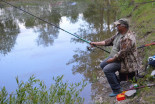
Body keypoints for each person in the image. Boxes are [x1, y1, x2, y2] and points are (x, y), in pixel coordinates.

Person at [90, 18, 140, 97]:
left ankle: (117, 89)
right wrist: (95, 43)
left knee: (107, 69)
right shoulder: (119, 34)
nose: (116, 26)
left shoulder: (128, 38)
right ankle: (116, 81)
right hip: (116, 57)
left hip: (125, 61)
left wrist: (112, 59)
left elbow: (122, 54)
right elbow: (108, 41)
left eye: (118, 25)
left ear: (123, 26)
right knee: (102, 64)